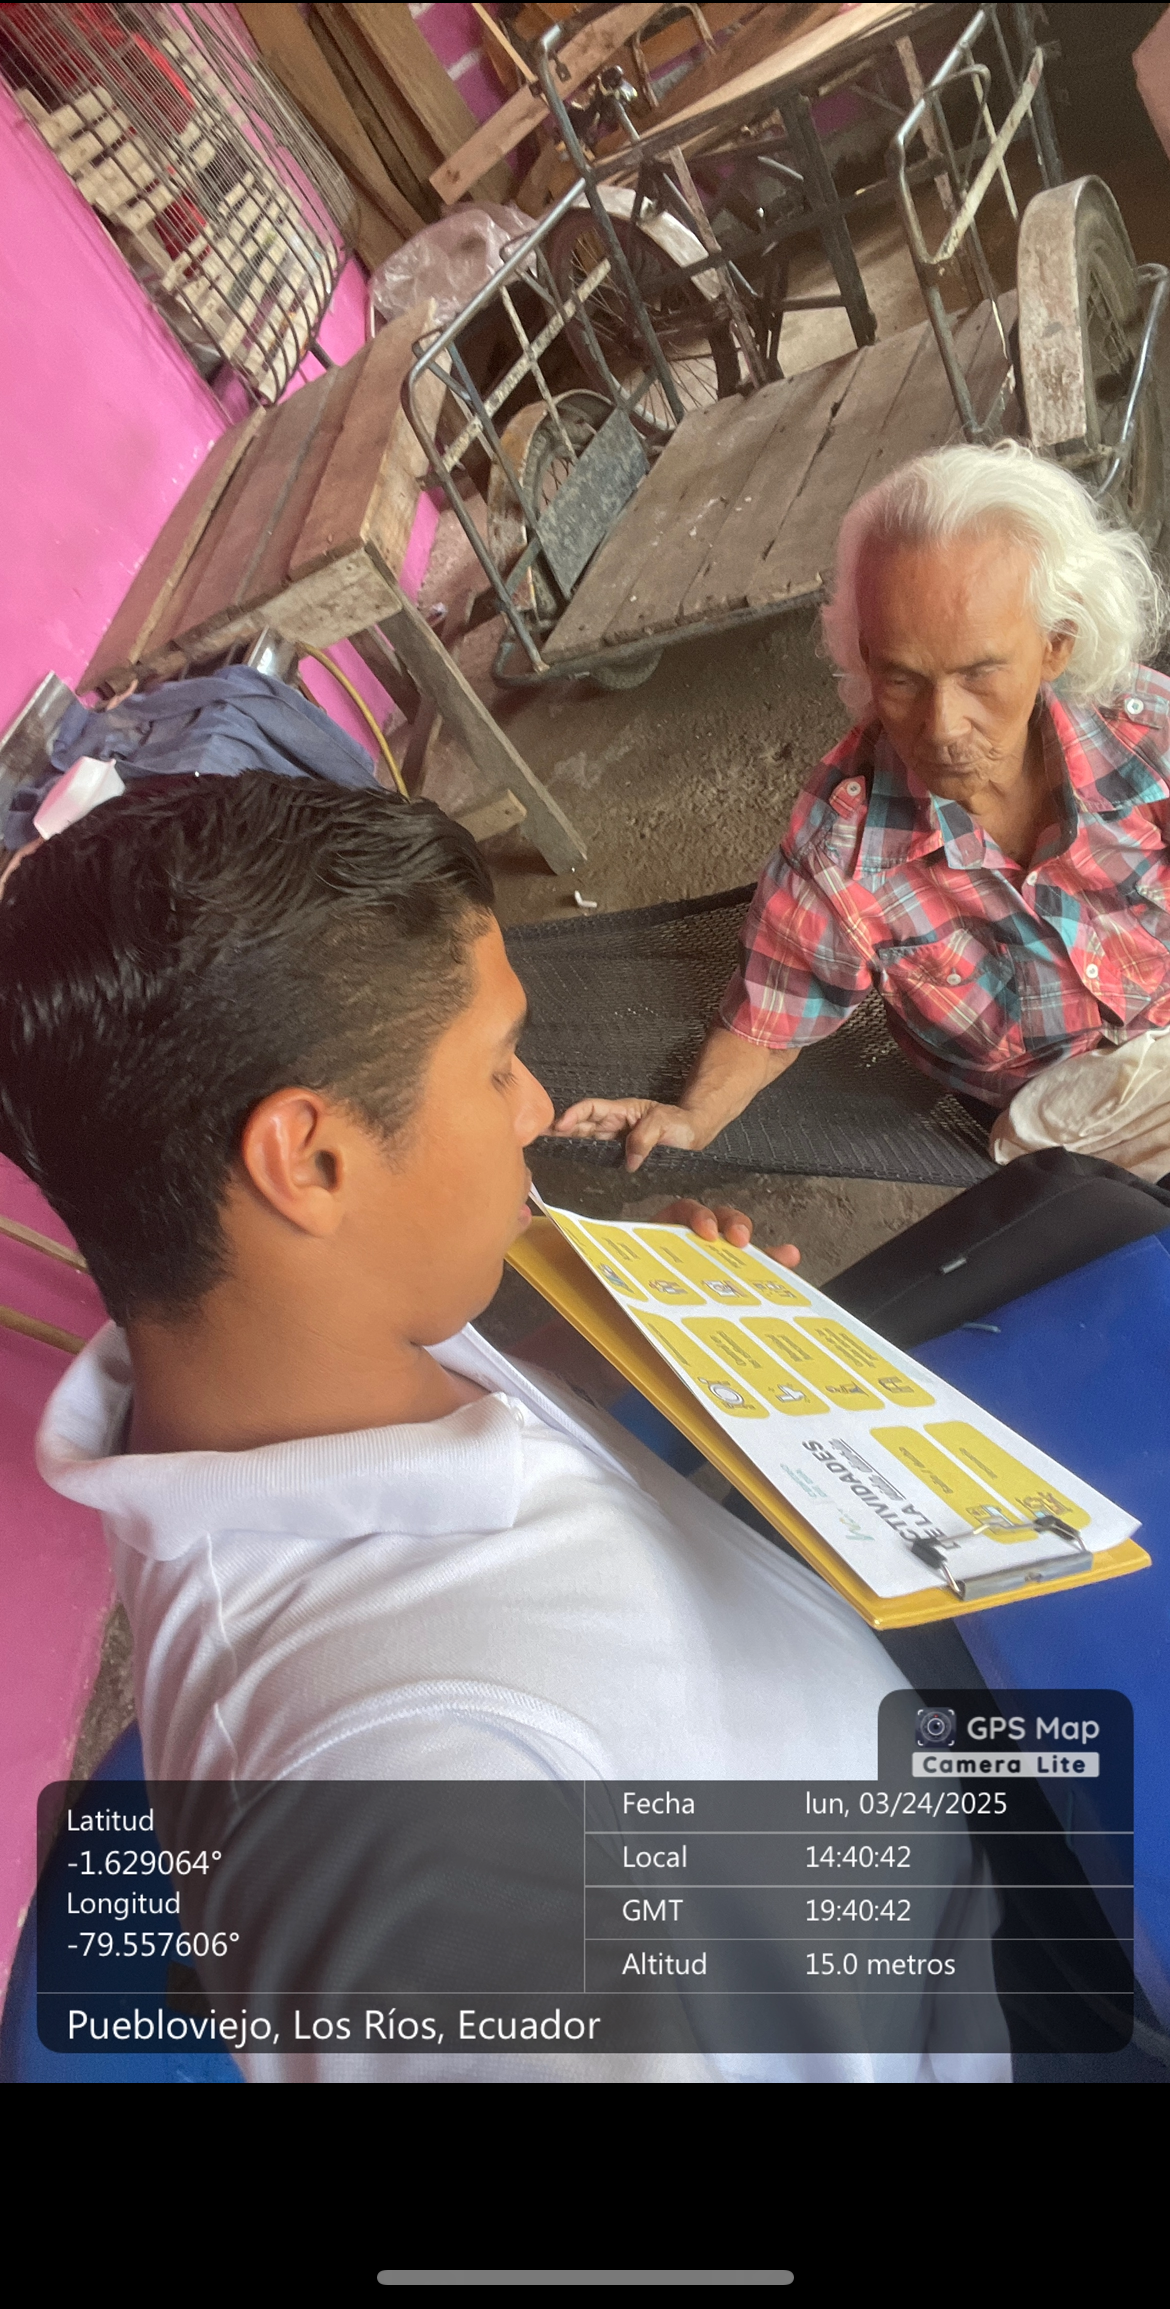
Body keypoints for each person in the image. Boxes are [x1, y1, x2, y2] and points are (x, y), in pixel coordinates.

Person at [0, 774, 1005, 2084]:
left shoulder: (284, 1354)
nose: (535, 1108)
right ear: (309, 1162)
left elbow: (472, 1466)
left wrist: (619, 1341)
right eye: (493, 1065)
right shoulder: (394, 1820)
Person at [554, 440, 1170, 1182]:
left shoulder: (1144, 730)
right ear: (865, 657)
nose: (942, 727)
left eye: (980, 674)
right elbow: (769, 1019)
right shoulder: (840, 857)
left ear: (1055, 646)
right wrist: (694, 1116)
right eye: (903, 680)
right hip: (1065, 1120)